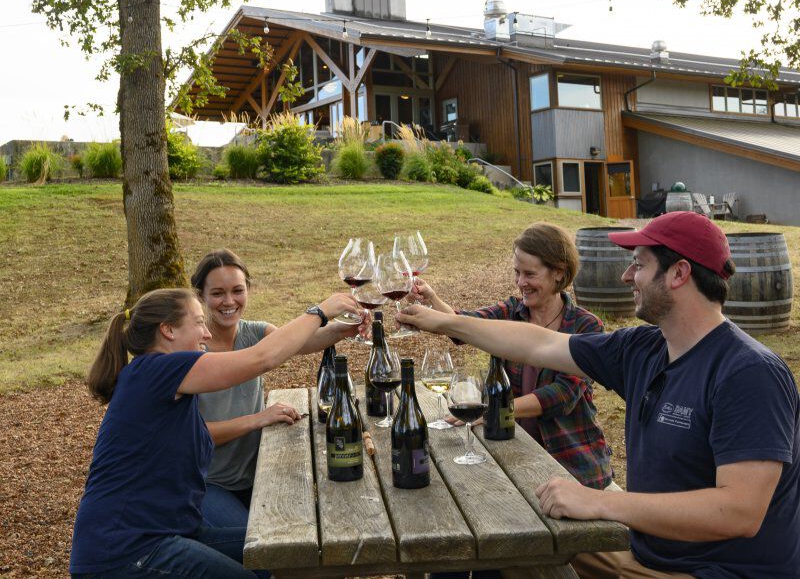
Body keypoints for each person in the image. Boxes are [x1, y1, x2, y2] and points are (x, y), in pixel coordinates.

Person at [398, 211, 800, 578]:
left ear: (678, 274)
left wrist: (599, 502)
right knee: (510, 544)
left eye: (639, 265)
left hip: (711, 571)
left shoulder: (748, 373)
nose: (627, 276)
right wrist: (439, 321)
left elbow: (739, 512)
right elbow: (538, 344)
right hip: (643, 553)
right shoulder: (644, 349)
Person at [70, 287, 358, 578]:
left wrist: (338, 331)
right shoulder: (156, 369)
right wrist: (319, 312)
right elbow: (262, 358)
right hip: (126, 550)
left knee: (287, 548)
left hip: (171, 532)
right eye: (198, 323)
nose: (207, 334)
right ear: (167, 330)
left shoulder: (162, 385)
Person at [412, 222, 612, 490]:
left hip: (573, 465)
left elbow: (562, 394)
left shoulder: (587, 327)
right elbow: (464, 326)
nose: (520, 283)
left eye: (529, 274)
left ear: (558, 273)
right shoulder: (511, 311)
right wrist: (432, 299)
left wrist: (496, 410)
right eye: (517, 273)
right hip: (517, 455)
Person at [190, 248, 358, 528]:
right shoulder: (191, 352)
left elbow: (302, 341)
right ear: (200, 296)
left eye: (237, 290)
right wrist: (257, 419)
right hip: (206, 484)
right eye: (218, 293)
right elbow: (194, 435)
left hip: (254, 477)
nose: (229, 301)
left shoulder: (255, 332)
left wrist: (343, 328)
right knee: (262, 545)